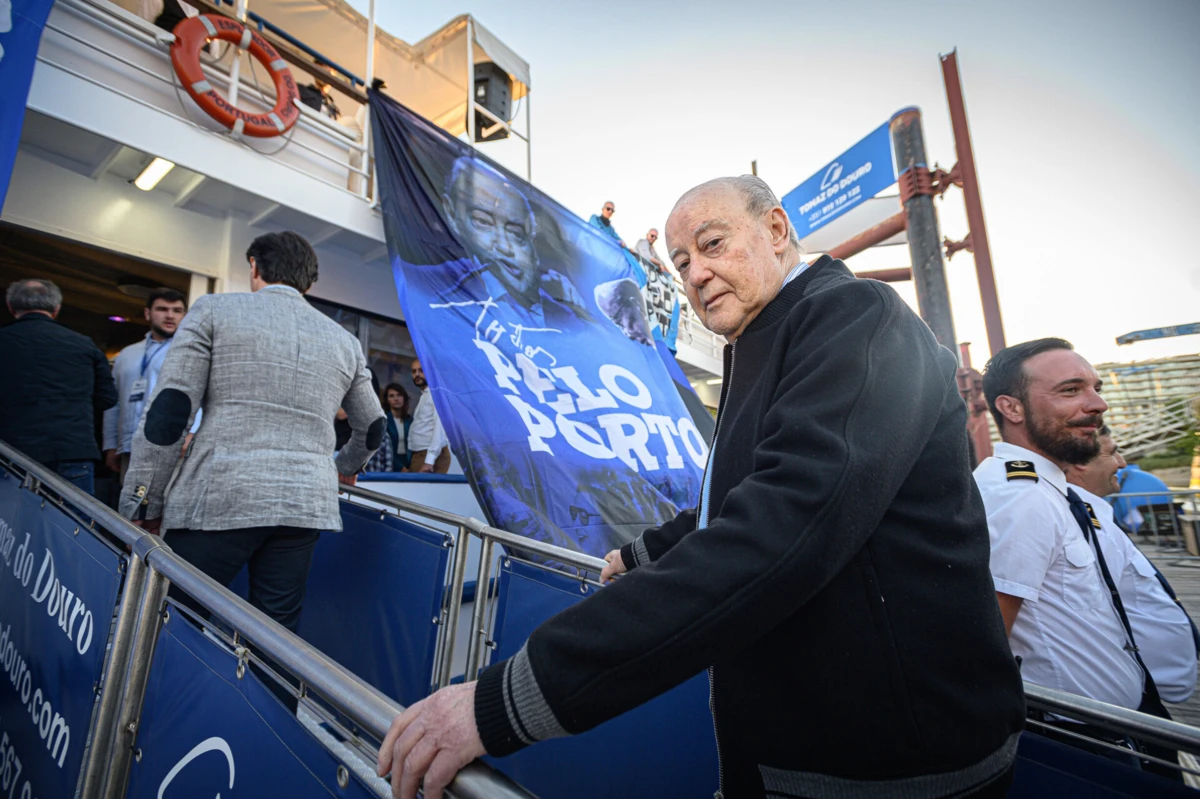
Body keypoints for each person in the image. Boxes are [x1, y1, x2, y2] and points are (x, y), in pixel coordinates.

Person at [376, 176, 1025, 799]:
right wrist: (644, 552)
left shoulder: (857, 317)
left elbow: (781, 528)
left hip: (888, 775)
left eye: (713, 244)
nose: (695, 274)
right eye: (682, 262)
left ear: (776, 230)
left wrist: (509, 700)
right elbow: (742, 491)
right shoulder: (761, 341)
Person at [119, 232, 384, 637]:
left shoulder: (214, 311)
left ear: (255, 267)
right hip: (303, 505)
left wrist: (144, 501)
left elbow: (170, 412)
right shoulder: (344, 341)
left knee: (170, 620)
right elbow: (373, 425)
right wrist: (343, 467)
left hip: (220, 495)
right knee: (273, 636)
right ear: (308, 281)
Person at [973, 338, 1173, 763]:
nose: (1098, 404)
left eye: (1095, 388)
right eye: (1071, 390)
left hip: (1105, 731)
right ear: (1012, 408)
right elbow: (982, 645)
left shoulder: (1045, 489)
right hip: (1073, 744)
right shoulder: (1020, 496)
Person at [1066, 427, 1198, 705]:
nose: (1122, 463)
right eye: (1113, 453)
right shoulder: (1074, 524)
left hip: (1146, 685)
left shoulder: (1097, 515)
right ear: (1080, 463)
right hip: (1128, 691)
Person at [0, 279, 117, 495]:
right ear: (56, 309)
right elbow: (107, 398)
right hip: (72, 450)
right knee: (71, 516)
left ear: (11, 307)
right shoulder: (84, 344)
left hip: (10, 452)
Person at [103, 288, 201, 486]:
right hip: (129, 448)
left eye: (177, 310)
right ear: (147, 313)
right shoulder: (127, 354)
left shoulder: (193, 351)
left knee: (166, 504)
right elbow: (114, 402)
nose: (170, 316)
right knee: (129, 504)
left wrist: (193, 433)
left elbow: (203, 395)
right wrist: (111, 444)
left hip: (172, 447)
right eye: (162, 309)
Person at [635, 228, 681, 352]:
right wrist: (659, 265)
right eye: (652, 235)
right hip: (642, 277)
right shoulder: (642, 242)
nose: (653, 238)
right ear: (647, 235)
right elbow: (646, 257)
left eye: (655, 237)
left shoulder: (652, 249)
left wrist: (670, 274)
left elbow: (661, 262)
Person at [407, 358, 449, 474]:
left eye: (421, 370)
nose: (417, 374)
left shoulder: (436, 394)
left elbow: (440, 427)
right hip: (422, 455)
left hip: (429, 457)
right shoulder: (426, 395)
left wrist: (429, 460)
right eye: (414, 371)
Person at [383, 382, 413, 470]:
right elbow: (383, 450)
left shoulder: (410, 420)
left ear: (404, 398)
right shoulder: (384, 421)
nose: (396, 399)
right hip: (389, 463)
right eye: (391, 396)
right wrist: (399, 467)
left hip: (409, 463)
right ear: (387, 400)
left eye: (399, 395)